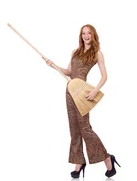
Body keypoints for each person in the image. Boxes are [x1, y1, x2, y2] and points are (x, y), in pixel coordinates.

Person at [45, 24, 120, 178]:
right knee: (74, 129)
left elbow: (105, 76)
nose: (86, 36)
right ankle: (79, 162)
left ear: (93, 35)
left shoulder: (97, 53)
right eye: (83, 33)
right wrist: (54, 66)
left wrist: (95, 90)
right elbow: (69, 72)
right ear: (81, 35)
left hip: (83, 93)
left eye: (89, 33)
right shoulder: (75, 52)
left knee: (85, 129)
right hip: (70, 91)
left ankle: (107, 158)